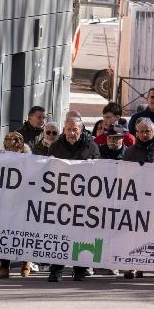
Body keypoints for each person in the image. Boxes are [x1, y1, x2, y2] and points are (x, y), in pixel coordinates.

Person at [46, 118, 99, 282]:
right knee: (59, 235)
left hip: (84, 200)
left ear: (81, 130)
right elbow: (48, 168)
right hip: (60, 199)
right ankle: (56, 270)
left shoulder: (91, 146)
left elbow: (100, 168)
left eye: (75, 129)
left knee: (81, 235)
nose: (71, 133)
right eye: (68, 129)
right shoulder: (55, 146)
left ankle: (80, 269)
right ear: (64, 130)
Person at [0, 132, 34, 279]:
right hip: (6, 202)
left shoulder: (30, 161)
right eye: (9, 149)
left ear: (20, 148)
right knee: (4, 233)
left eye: (15, 149)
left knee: (24, 232)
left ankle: (26, 262)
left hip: (24, 202)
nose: (12, 152)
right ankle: (4, 265)